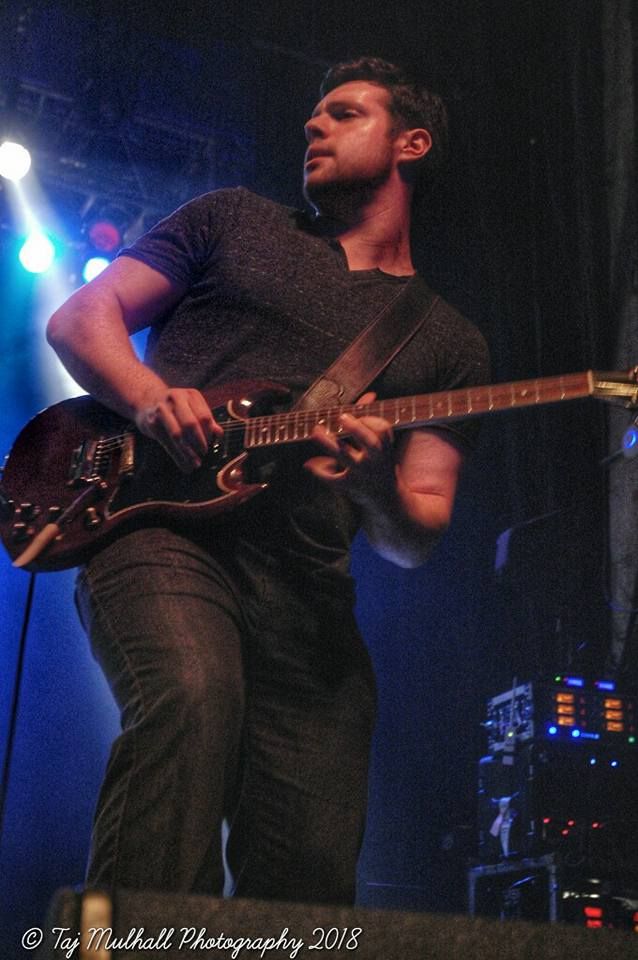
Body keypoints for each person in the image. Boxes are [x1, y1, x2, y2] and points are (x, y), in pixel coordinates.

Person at [46, 57, 489, 905]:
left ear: (412, 144)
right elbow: (81, 318)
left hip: (307, 594)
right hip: (160, 532)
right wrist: (148, 399)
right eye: (315, 113)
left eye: (345, 113)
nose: (314, 124)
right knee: (190, 695)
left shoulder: (448, 341)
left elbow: (420, 530)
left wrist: (374, 487)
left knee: (310, 858)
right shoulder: (234, 221)